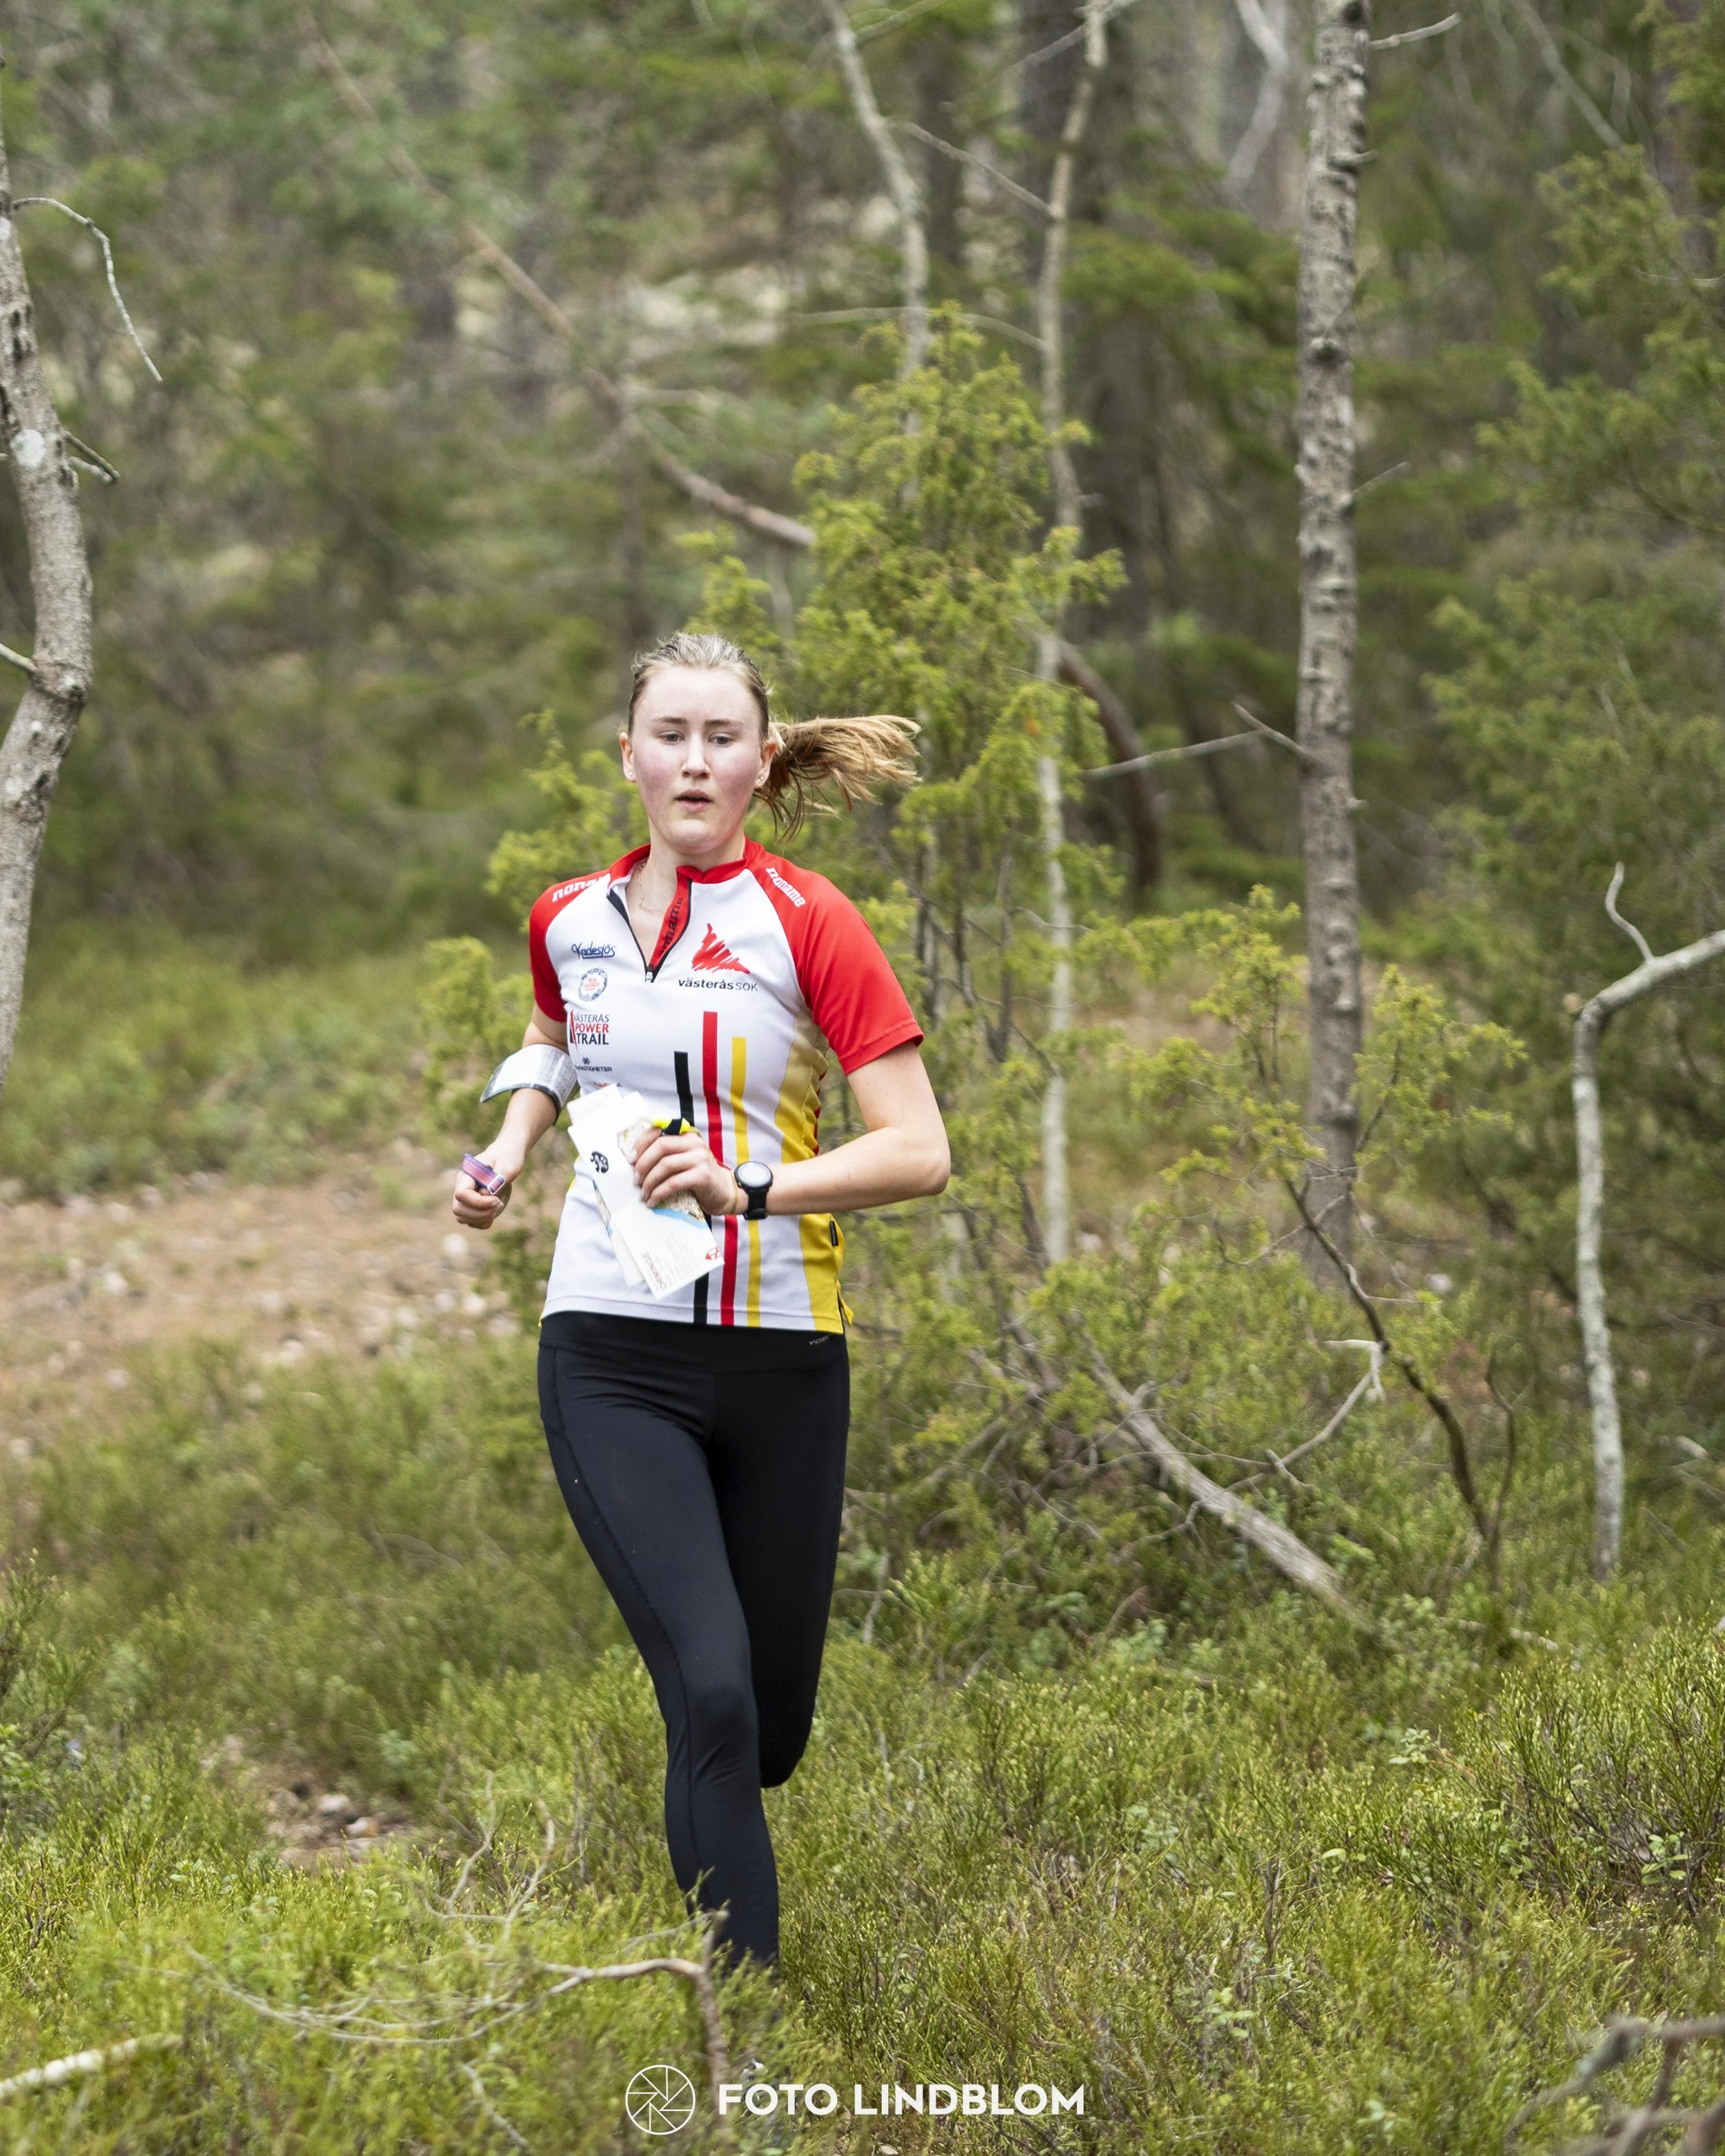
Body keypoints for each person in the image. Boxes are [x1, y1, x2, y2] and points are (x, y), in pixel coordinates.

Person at [451, 631, 950, 1977]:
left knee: (771, 1725)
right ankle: (750, 2041)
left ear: (761, 761)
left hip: (783, 1352)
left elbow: (918, 1148)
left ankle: (727, 1819)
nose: (692, 757)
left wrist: (750, 1185)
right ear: (628, 758)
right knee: (714, 1696)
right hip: (609, 1349)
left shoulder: (808, 922)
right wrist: (506, 1146)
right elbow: (560, 1035)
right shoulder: (568, 915)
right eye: (667, 732)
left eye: (720, 734)